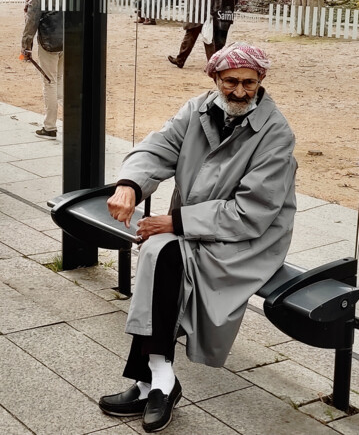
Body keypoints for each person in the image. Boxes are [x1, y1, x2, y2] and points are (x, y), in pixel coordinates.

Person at [99, 42, 297, 433]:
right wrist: (128, 186)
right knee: (160, 252)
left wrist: (177, 221)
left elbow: (252, 212)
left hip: (246, 240)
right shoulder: (197, 109)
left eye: (249, 83)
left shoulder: (276, 133)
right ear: (215, 79)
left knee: (162, 251)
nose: (240, 92)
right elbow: (158, 148)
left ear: (261, 81)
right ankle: (157, 379)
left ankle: (151, 381)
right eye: (230, 82)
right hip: (196, 225)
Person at [21, 0, 63, 140]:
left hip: (49, 37)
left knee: (50, 82)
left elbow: (34, 14)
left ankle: (50, 126)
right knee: (61, 81)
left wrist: (26, 43)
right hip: (69, 36)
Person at [168, 0, 221, 68]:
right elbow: (218, 0)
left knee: (189, 39)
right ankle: (212, 65)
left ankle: (180, 60)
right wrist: (212, 12)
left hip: (195, 16)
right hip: (208, 16)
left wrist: (191, 14)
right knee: (209, 40)